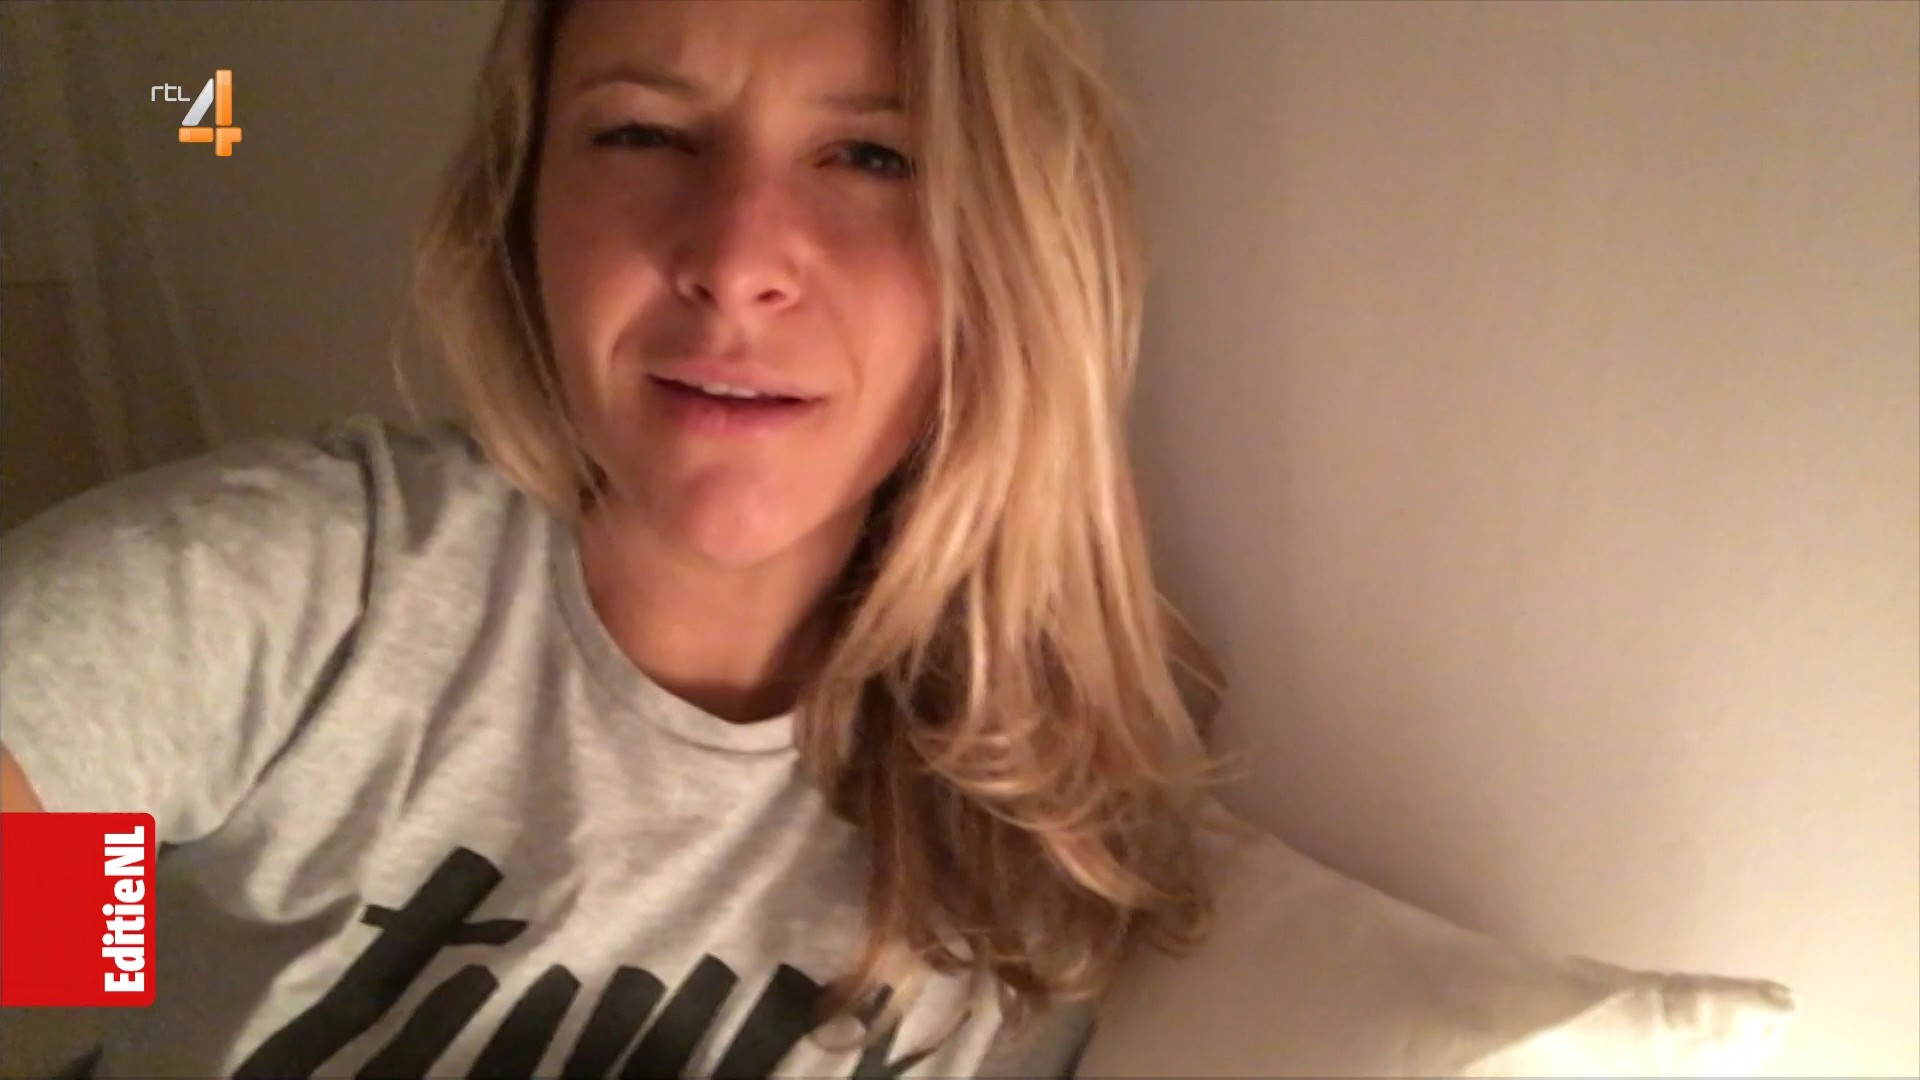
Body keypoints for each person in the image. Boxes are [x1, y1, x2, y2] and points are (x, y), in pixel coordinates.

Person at [0, 0, 1232, 1075]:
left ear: (1008, 255)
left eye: (870, 154)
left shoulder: (1049, 803)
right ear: (524, 209)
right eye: (645, 134)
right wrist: (97, 958)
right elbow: (52, 945)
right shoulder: (296, 592)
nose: (736, 262)